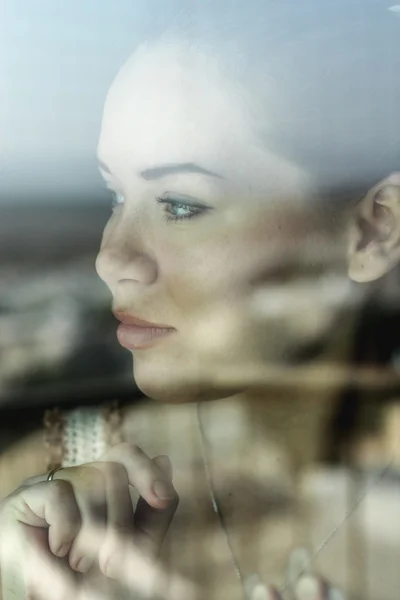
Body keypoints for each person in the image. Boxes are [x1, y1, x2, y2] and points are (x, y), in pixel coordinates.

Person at [1, 1, 399, 598]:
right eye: (115, 194)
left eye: (182, 205)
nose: (111, 259)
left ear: (375, 230)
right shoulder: (56, 497)